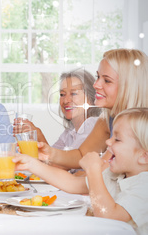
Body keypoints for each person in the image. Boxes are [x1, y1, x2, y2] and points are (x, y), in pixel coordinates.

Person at [13, 107, 148, 235]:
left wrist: (93, 170)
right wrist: (32, 164)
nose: (108, 142)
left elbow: (108, 215)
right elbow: (71, 183)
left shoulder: (144, 187)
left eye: (117, 140)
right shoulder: (116, 175)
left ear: (143, 156)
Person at [37, 49, 148, 169]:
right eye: (98, 77)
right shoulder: (106, 119)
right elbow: (81, 155)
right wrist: (48, 153)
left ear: (129, 87)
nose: (96, 85)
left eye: (107, 80)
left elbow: (98, 174)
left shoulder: (138, 126)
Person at [13, 69, 101, 152]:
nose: (66, 100)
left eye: (73, 93)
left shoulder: (92, 126)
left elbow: (62, 164)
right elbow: (51, 161)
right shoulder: (69, 133)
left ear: (91, 97)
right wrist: (32, 137)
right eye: (62, 94)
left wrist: (38, 135)